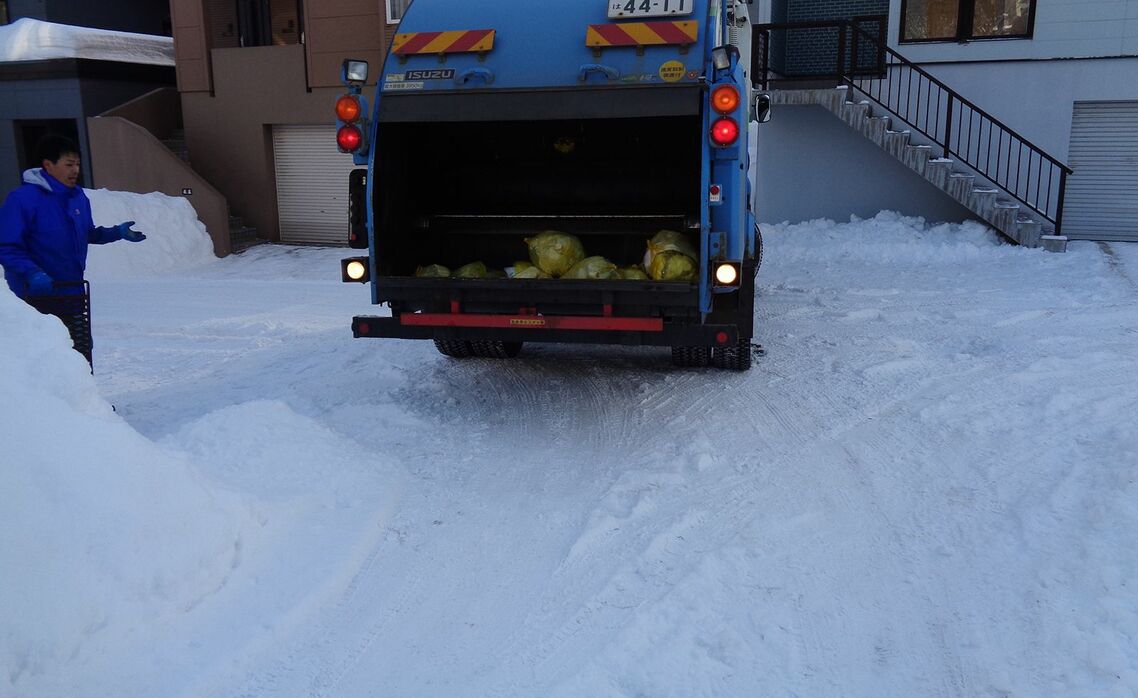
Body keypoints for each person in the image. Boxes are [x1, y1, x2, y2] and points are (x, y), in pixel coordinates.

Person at [0, 134, 147, 363]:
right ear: (48, 165)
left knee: (80, 354)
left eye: (77, 164)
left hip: (73, 293)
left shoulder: (78, 197)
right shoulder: (22, 200)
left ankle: (84, 400)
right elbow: (7, 247)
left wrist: (115, 232)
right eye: (69, 164)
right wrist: (32, 273)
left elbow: (85, 233)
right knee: (44, 357)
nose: (75, 170)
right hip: (34, 298)